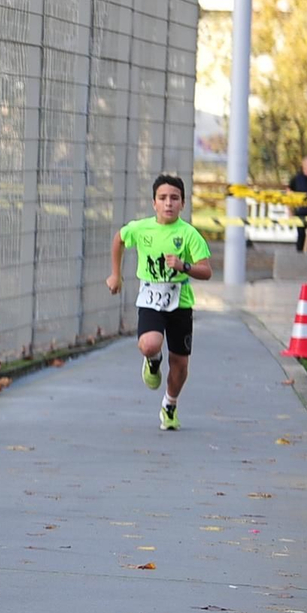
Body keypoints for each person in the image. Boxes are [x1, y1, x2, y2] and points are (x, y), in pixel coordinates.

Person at [107, 174, 212, 432]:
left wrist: (183, 265)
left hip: (180, 302)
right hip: (151, 298)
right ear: (154, 203)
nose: (168, 203)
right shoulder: (142, 228)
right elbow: (119, 239)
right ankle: (153, 360)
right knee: (149, 343)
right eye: (163, 198)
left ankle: (170, 404)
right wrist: (115, 274)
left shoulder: (189, 235)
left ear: (183, 203)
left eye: (174, 198)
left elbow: (206, 271)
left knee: (180, 364)